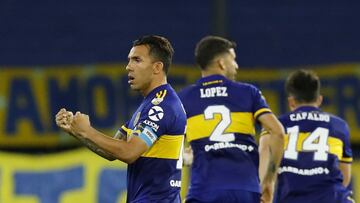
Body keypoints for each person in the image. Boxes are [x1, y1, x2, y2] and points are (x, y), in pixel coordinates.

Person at [55, 35, 187, 203]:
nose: (128, 67)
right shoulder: (149, 105)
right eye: (129, 60)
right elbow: (112, 152)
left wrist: (87, 130)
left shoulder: (162, 106)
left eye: (137, 60)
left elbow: (129, 152)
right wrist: (78, 132)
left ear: (157, 67)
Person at [177, 36, 285, 203]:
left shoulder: (184, 98)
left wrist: (187, 154)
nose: (236, 65)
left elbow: (166, 141)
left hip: (203, 191)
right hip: (245, 190)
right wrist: (269, 181)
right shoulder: (249, 93)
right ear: (221, 63)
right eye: (233, 59)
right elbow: (278, 132)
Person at [260, 69, 354, 203]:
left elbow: (264, 164)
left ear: (291, 101)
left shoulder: (275, 126)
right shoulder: (339, 126)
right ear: (319, 99)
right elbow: (345, 177)